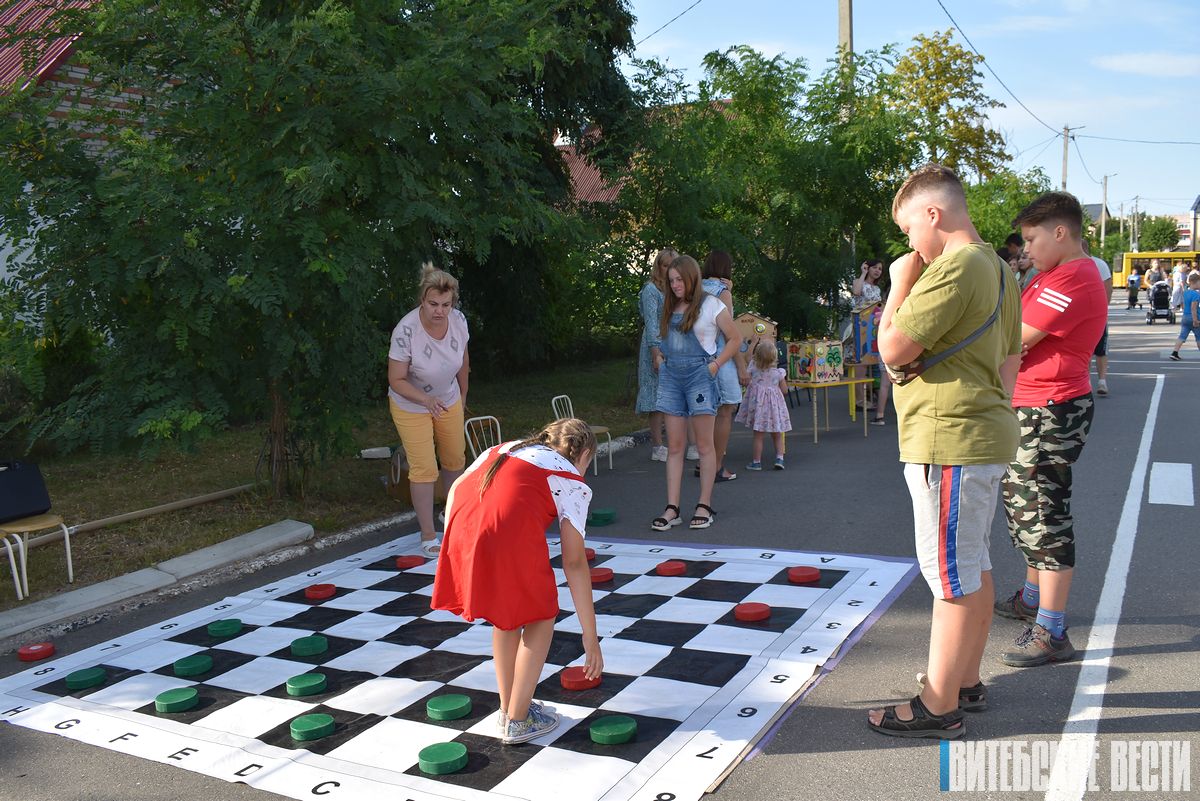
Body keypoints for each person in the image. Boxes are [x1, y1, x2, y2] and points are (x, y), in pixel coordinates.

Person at [868, 164, 1021, 740]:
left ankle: (937, 704)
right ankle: (965, 680)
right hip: (983, 433)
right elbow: (1010, 362)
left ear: (933, 214)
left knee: (949, 578)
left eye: (909, 229)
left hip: (947, 439)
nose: (909, 243)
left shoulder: (954, 267)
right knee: (972, 565)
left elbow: (890, 349)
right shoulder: (1002, 271)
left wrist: (899, 283)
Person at [431, 418, 602, 744]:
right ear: (581, 455)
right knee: (541, 614)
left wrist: (455, 544)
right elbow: (575, 561)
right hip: (503, 530)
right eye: (587, 464)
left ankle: (508, 707)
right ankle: (519, 720)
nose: (585, 471)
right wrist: (590, 637)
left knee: (506, 614)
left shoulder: (505, 448)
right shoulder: (568, 476)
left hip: (463, 526)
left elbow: (456, 487)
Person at [995, 191, 1107, 668]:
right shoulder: (1049, 275)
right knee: (1027, 507)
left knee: (1044, 513)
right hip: (1034, 405)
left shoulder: (1074, 278)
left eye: (1032, 239)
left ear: (1061, 232)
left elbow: (1013, 336)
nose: (1027, 250)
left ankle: (1052, 629)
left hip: (1050, 409)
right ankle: (1032, 597)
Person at [651, 254, 741, 531]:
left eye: (679, 280)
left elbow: (735, 339)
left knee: (704, 446)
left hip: (700, 378)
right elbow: (658, 339)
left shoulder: (711, 304)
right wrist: (658, 357)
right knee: (675, 447)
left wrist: (715, 365)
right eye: (671, 281)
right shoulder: (669, 306)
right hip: (671, 379)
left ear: (692, 278)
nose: (675, 285)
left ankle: (704, 504)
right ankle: (672, 508)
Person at [387, 263, 470, 558]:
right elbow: (395, 380)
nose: (439, 310)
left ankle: (453, 520)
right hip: (411, 403)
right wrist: (425, 401)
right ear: (422, 300)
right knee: (424, 469)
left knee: (454, 460)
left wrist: (462, 394)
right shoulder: (405, 330)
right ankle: (427, 535)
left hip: (447, 398)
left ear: (453, 303)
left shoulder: (458, 321)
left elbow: (462, 359)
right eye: (433, 303)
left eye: (445, 305)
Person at [701, 250, 748, 482]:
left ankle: (703, 463)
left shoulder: (694, 288)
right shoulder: (723, 292)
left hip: (699, 359)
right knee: (725, 411)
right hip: (722, 360)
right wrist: (741, 367)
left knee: (705, 413)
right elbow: (731, 334)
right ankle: (717, 466)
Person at [638, 249, 677, 462]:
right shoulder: (651, 290)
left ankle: (674, 444)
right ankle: (658, 446)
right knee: (655, 398)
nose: (669, 269)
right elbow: (651, 323)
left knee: (671, 398)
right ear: (658, 267)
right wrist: (655, 353)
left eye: (673, 264)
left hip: (673, 345)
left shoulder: (674, 288)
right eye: (665, 265)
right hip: (656, 345)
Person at [736, 340, 791, 470]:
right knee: (777, 433)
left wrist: (753, 341)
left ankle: (756, 462)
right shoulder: (778, 373)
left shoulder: (753, 368)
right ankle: (779, 459)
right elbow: (785, 391)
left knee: (758, 435)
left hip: (758, 409)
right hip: (774, 409)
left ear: (757, 356)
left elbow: (747, 357)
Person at [852, 258, 892, 424]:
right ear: (868, 268)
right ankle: (859, 400)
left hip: (872, 327)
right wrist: (862, 272)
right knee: (861, 363)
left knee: (871, 361)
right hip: (860, 326)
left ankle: (868, 397)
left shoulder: (877, 288)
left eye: (880, 269)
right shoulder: (859, 281)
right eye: (874, 268)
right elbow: (856, 292)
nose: (877, 271)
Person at [1081, 240, 1114, 396]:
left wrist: (1103, 309)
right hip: (1085, 314)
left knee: (1098, 349)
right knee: (1088, 350)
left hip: (1093, 314)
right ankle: (1089, 382)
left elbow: (1108, 288)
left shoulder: (1098, 264)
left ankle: (1101, 381)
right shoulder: (1078, 264)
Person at [1169, 272, 1200, 361]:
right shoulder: (1196, 294)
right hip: (1194, 318)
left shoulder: (1186, 293)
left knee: (1182, 336)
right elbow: (1193, 308)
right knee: (1198, 336)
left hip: (1185, 317)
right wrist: (1195, 320)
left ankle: (1175, 352)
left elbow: (1184, 305)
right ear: (1196, 282)